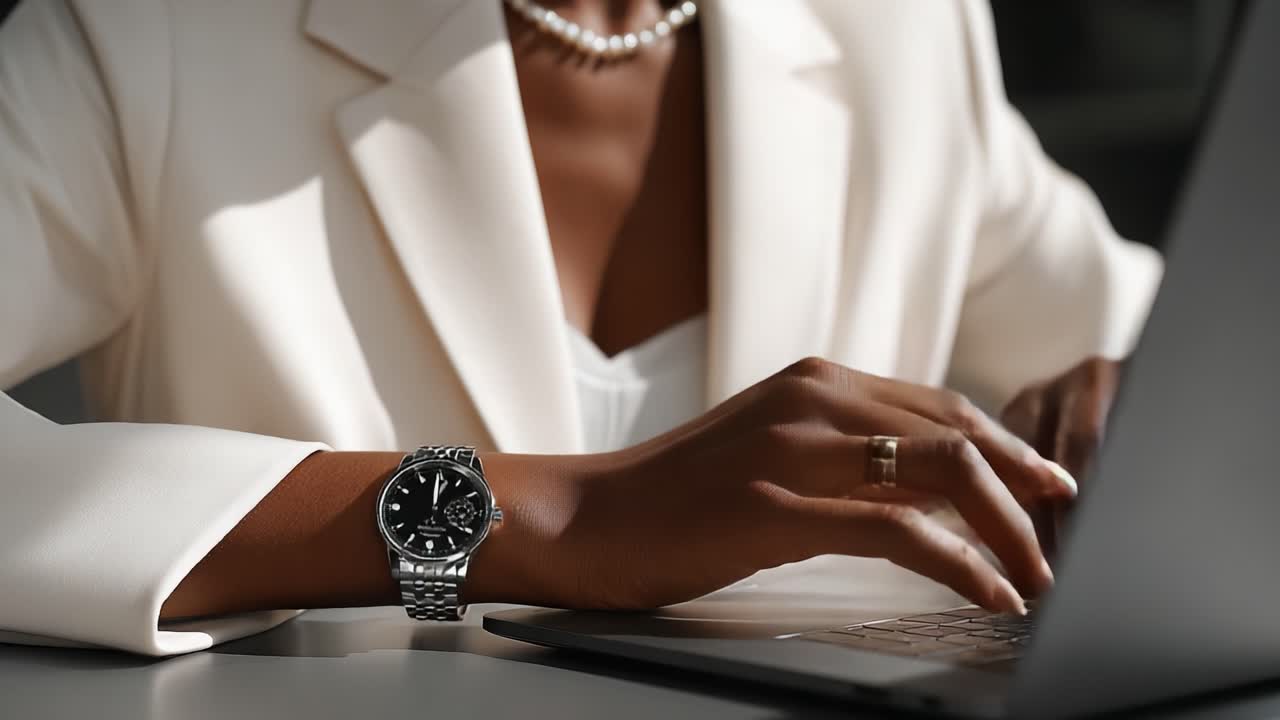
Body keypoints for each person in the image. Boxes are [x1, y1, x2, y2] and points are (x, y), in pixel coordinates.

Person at [0, 0, 1160, 655]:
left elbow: (1163, 334)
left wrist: (1139, 404)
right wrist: (539, 518)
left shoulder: (895, 32)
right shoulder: (149, 37)